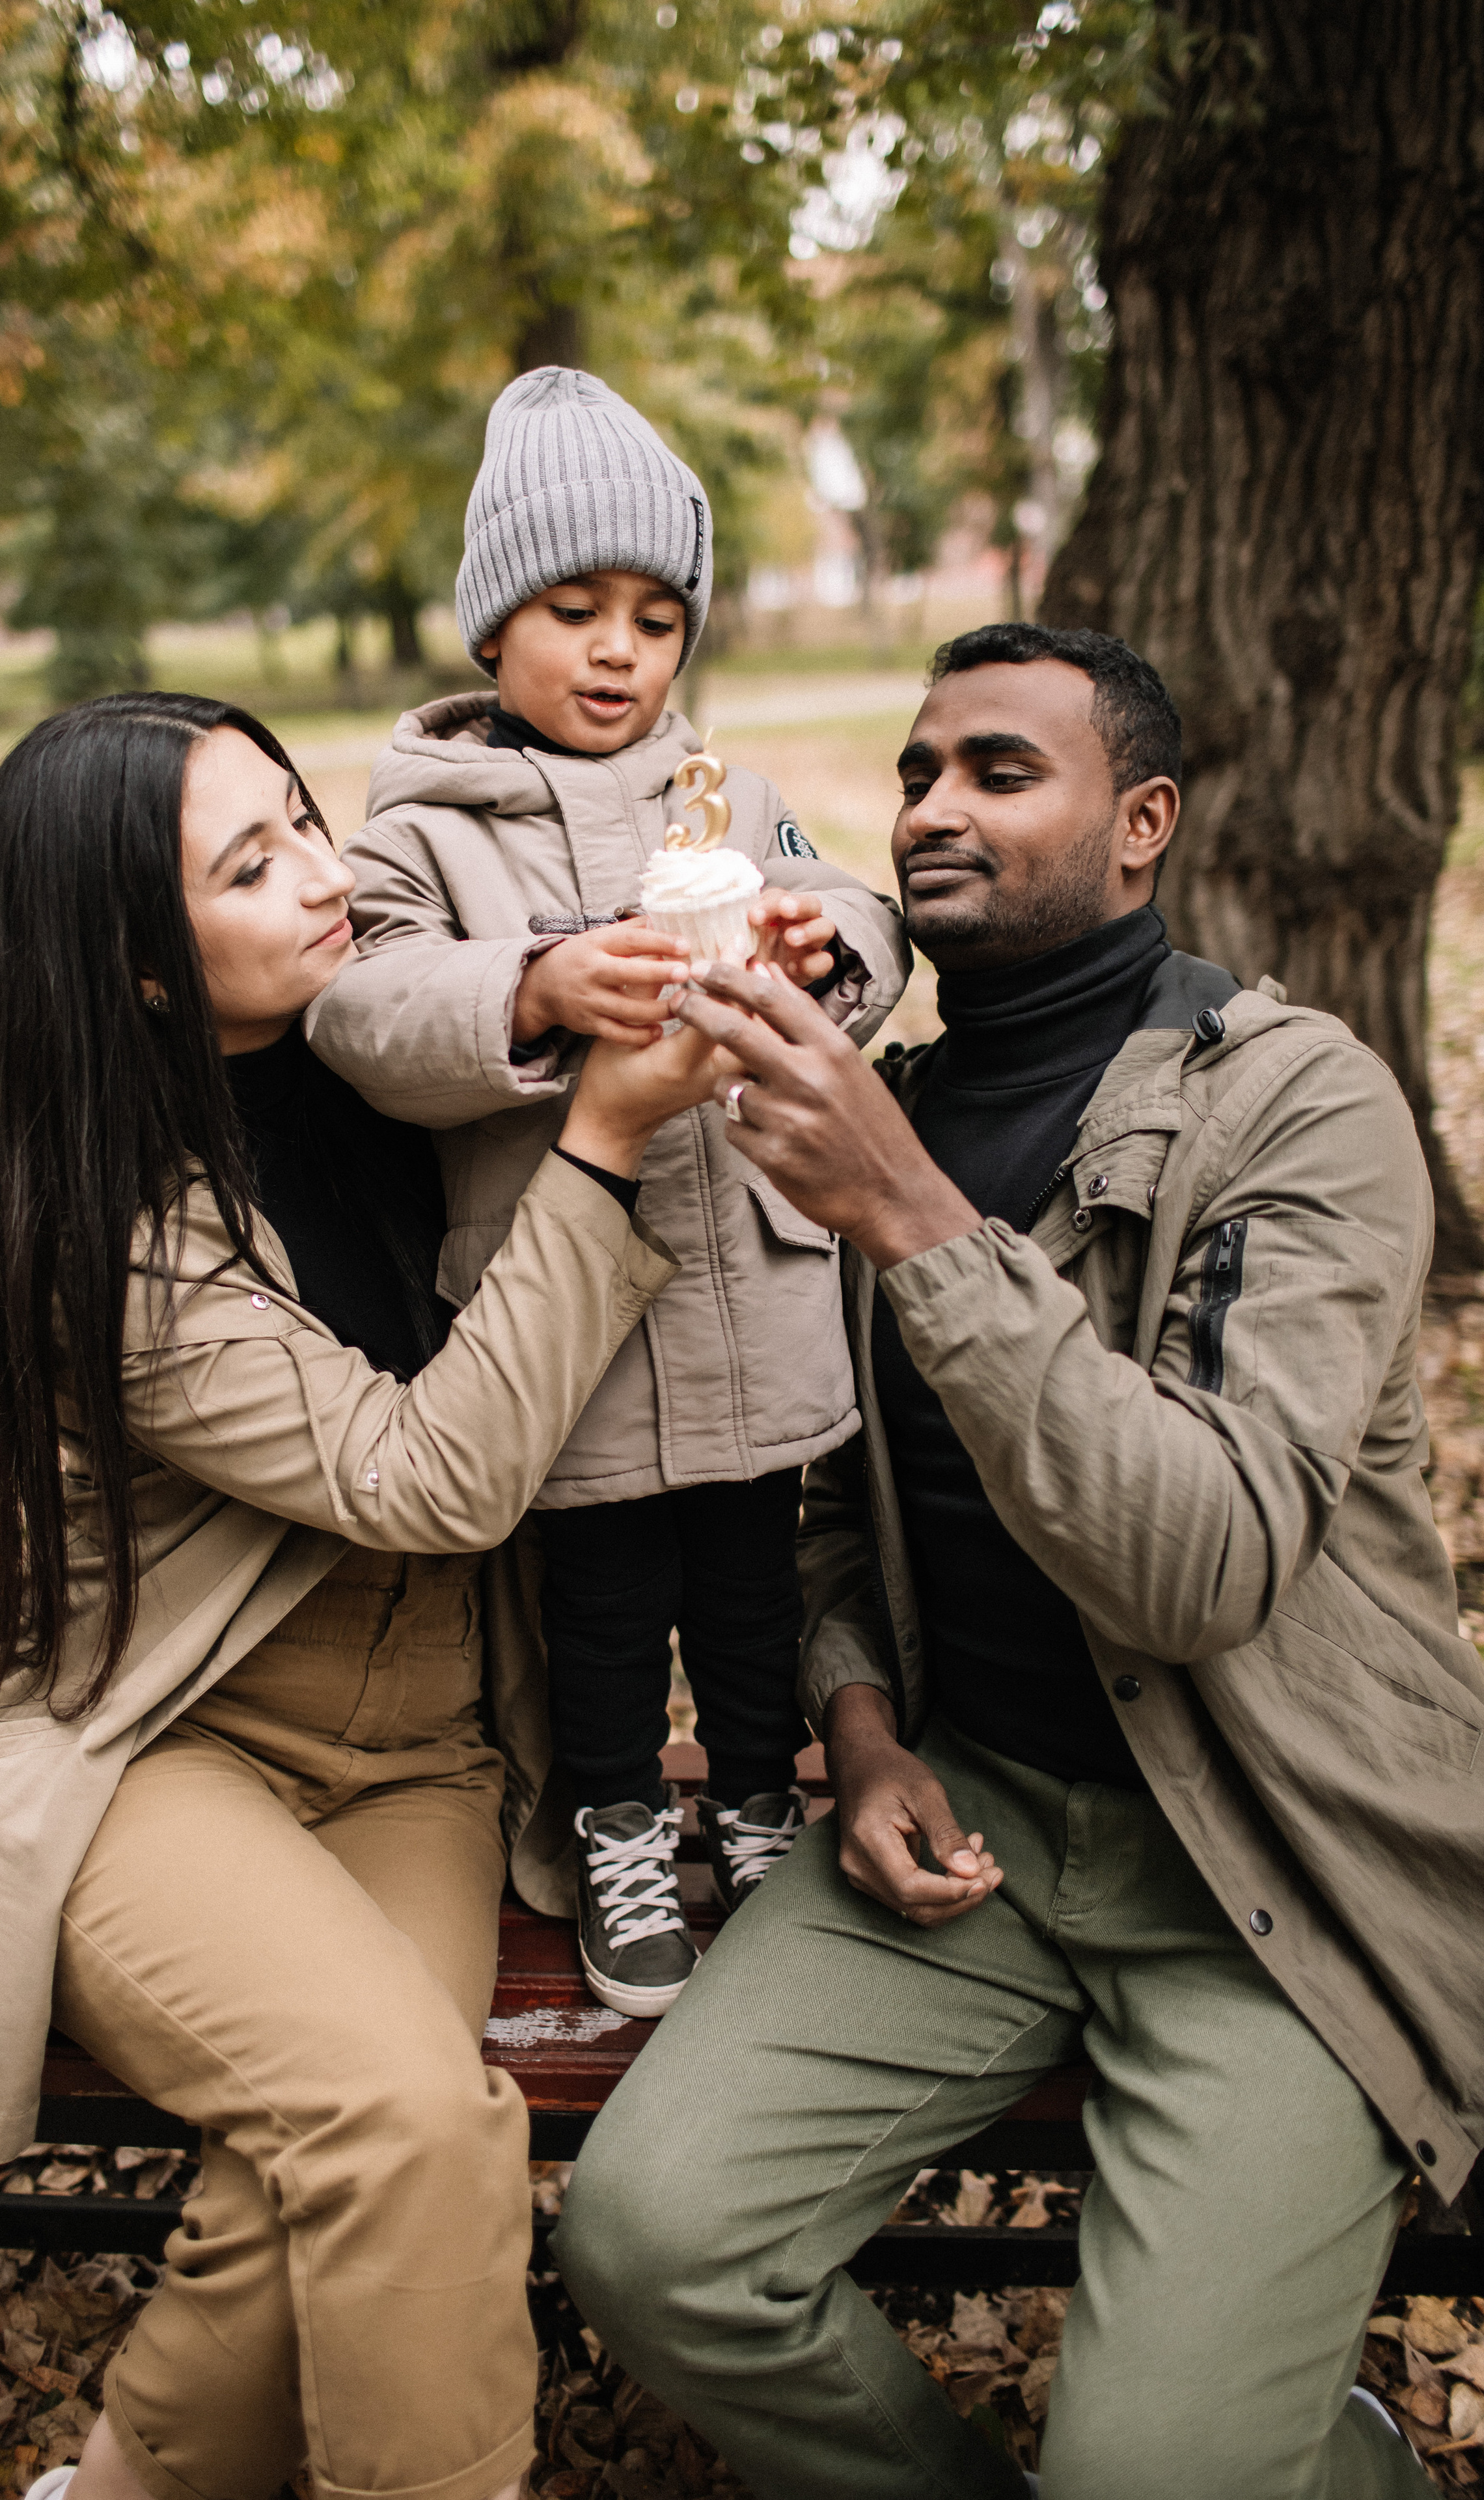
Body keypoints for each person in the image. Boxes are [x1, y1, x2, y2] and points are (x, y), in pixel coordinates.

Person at [556, 623, 1484, 2500]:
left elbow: (1200, 1565)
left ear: (1139, 824)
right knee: (651, 2252)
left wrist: (910, 1206)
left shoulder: (1299, 1108)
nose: (931, 810)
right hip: (971, 1828)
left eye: (997, 770)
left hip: (1268, 1868)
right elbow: (825, 1499)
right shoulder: (862, 1097)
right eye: (914, 773)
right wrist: (867, 1727)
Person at [0, 689, 723, 2500]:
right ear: (136, 972)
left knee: (321, 2172)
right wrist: (603, 1141)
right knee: (416, 2124)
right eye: (249, 866)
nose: (324, 878)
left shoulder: (374, 1064)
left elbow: (499, 976)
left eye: (302, 819)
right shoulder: (114, 1236)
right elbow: (435, 1478)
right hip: (166, 1751)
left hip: (418, 1749)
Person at [309, 366, 911, 2016]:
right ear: (490, 628)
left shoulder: (726, 794)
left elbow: (855, 909)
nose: (616, 651)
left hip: (751, 1295)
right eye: (572, 608)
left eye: (655, 619)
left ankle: (761, 1809)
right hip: (563, 1309)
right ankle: (616, 1829)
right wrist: (536, 986)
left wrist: (825, 948)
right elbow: (365, 1011)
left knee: (747, 1591)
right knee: (599, 1614)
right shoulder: (423, 828)